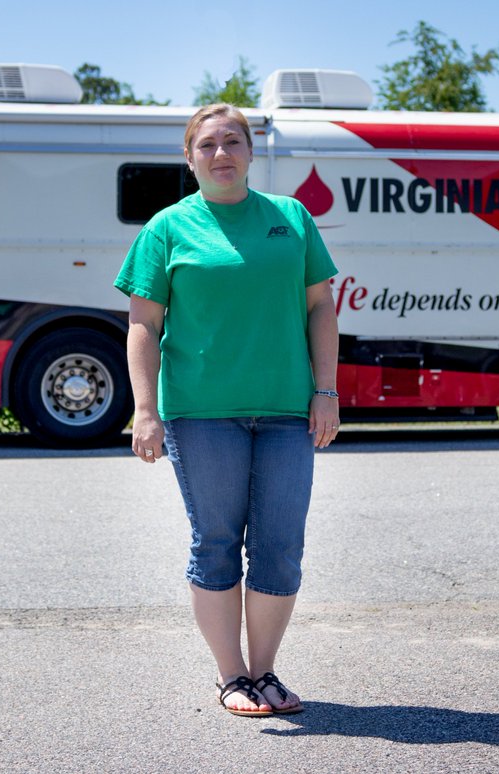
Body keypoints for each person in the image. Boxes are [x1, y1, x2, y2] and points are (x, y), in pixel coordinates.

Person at [114, 103, 340, 717]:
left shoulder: (291, 218)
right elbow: (143, 325)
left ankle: (265, 671)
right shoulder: (167, 228)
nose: (222, 153)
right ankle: (231, 676)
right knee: (215, 542)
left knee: (280, 546)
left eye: (233, 141)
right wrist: (145, 410)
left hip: (289, 412)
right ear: (189, 158)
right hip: (202, 412)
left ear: (250, 150)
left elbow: (321, 308)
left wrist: (326, 390)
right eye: (208, 144)